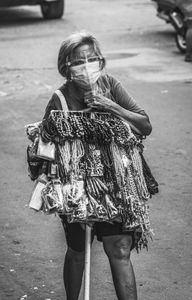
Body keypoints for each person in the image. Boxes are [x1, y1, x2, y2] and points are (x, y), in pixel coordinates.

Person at [43, 31, 152, 300]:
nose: (86, 66)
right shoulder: (60, 99)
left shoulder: (111, 85)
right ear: (66, 67)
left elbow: (144, 125)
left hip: (117, 183)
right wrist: (84, 172)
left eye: (92, 59)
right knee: (79, 251)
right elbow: (50, 147)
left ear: (101, 61)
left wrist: (111, 106)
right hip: (78, 186)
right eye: (79, 61)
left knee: (121, 249)